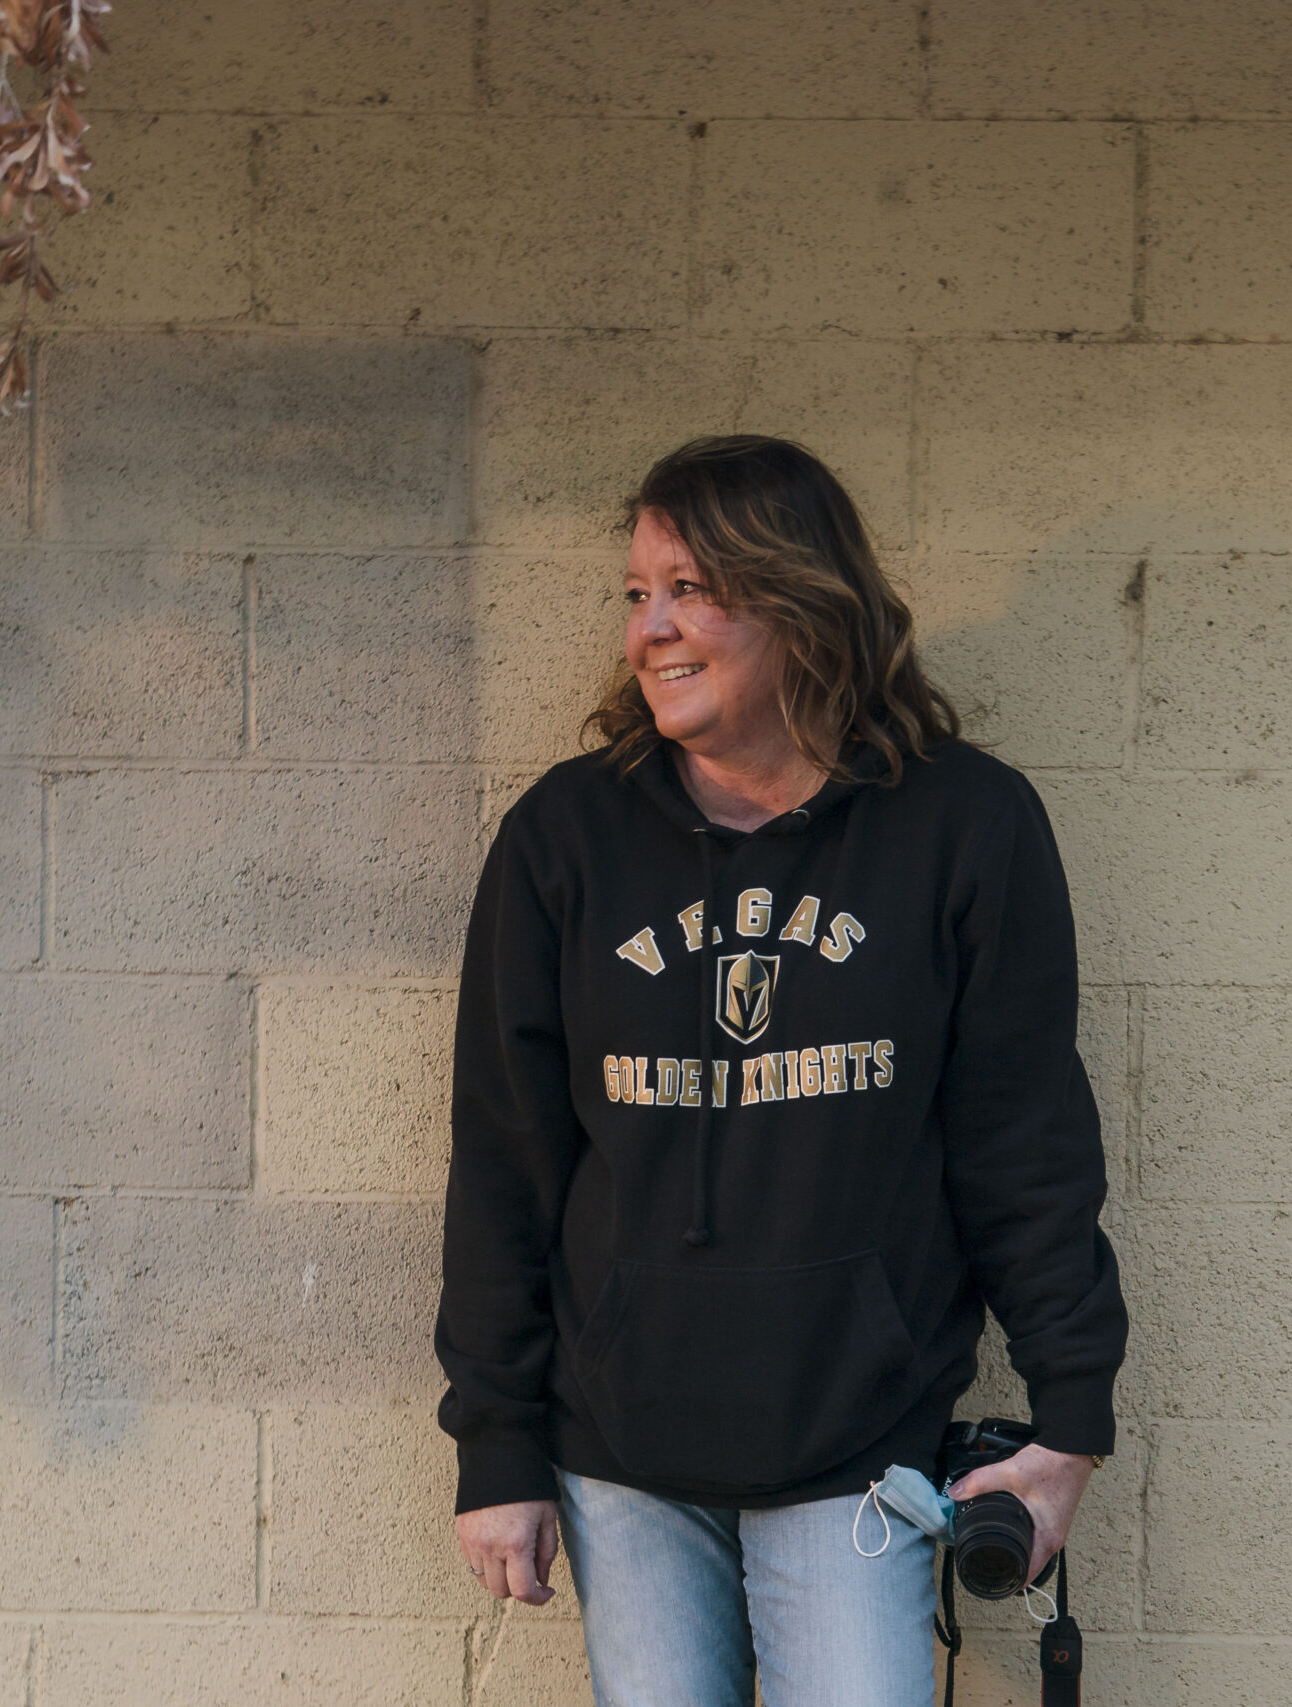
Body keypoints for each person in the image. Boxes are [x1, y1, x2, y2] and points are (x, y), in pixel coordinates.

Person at [434, 435, 1128, 1707]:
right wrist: (496, 1445)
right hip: (622, 1453)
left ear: (801, 600)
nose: (649, 629)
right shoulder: (565, 839)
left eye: (690, 590)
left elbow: (1022, 1142)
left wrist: (1070, 1416)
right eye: (637, 593)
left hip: (858, 1444)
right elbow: (504, 1162)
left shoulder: (962, 827)